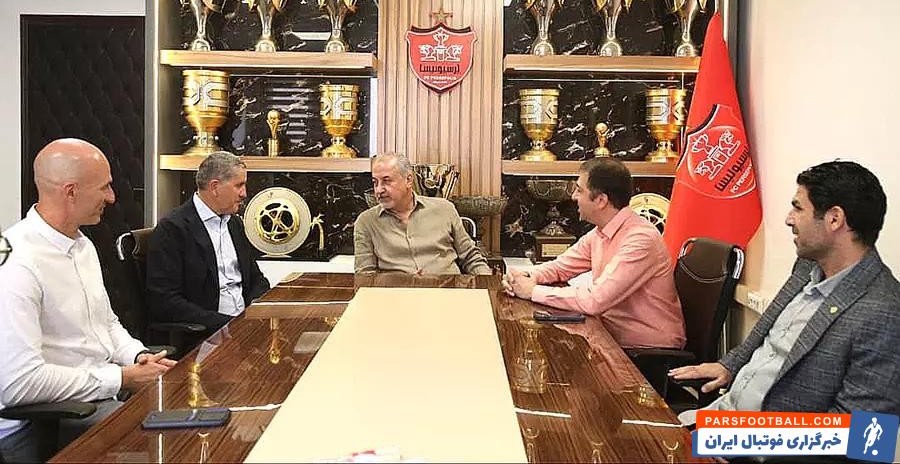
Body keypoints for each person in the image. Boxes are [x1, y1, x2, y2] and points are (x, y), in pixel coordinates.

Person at [671, 161, 900, 417]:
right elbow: (769, 334)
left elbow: (864, 433)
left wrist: (733, 435)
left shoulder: (885, 312)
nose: (789, 219)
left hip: (754, 438)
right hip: (718, 415)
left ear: (834, 219)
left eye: (798, 208)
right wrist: (730, 365)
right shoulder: (807, 266)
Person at [0, 139, 174, 462]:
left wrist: (138, 356)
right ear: (71, 191)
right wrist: (121, 378)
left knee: (189, 423)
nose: (112, 197)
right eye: (104, 187)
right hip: (41, 425)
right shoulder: (17, 261)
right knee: (168, 449)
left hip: (97, 399)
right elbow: (19, 384)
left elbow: (105, 323)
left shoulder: (83, 246)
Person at [503, 157, 686, 349]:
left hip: (647, 351)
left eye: (579, 190)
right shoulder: (601, 231)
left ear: (601, 200)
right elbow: (560, 267)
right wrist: (525, 276)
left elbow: (595, 300)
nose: (573, 196)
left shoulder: (641, 239)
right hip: (610, 338)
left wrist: (532, 291)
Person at [147, 151, 269, 335]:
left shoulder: (234, 224)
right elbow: (165, 301)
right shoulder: (173, 229)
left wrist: (254, 313)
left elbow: (256, 279)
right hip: (205, 332)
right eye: (239, 185)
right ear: (215, 187)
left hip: (244, 328)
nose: (244, 193)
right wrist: (228, 324)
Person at [354, 153, 491, 275]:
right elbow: (365, 275)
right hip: (395, 293)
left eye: (386, 181)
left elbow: (471, 258)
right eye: (375, 182)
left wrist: (488, 283)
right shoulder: (366, 222)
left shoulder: (445, 209)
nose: (378, 190)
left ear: (408, 180)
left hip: (447, 290)